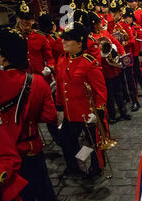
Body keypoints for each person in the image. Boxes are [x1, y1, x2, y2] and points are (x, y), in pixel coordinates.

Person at [0, 28, 64, 201]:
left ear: (3, 56)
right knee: (44, 190)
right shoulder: (37, 82)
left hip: (6, 153)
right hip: (33, 147)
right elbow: (50, 116)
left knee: (24, 198)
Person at [55, 22, 108, 180]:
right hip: (70, 113)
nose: (63, 41)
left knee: (93, 142)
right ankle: (73, 166)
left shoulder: (89, 63)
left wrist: (98, 112)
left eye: (68, 39)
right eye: (63, 38)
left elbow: (101, 91)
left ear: (79, 43)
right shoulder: (62, 60)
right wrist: (59, 107)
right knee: (66, 141)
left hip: (87, 113)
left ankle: (96, 167)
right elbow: (60, 85)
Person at [14, 1, 55, 80]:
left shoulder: (40, 37)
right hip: (20, 79)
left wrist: (49, 67)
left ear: (32, 21)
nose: (26, 21)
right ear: (17, 19)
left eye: (28, 19)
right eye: (22, 18)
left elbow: (50, 58)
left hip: (39, 77)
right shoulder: (12, 37)